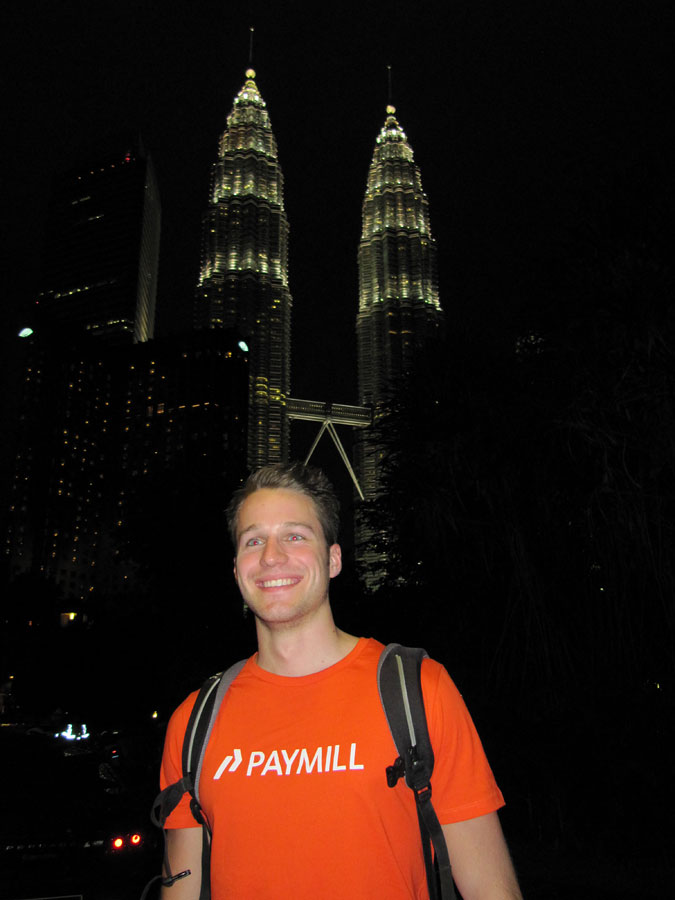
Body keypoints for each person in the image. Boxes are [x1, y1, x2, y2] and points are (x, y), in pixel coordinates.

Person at [159, 462, 522, 899]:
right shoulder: (193, 722)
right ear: (237, 570)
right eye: (253, 540)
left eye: (295, 535)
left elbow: (490, 887)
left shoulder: (419, 691)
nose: (271, 556)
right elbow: (182, 888)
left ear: (333, 559)